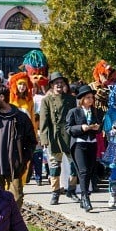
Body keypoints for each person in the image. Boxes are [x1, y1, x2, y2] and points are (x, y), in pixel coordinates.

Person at [0, 83, 37, 209]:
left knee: (16, 198)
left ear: (1, 97)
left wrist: (24, 159)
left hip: (15, 167)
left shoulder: (21, 118)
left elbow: (32, 141)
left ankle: (13, 224)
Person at [39, 72, 79, 205]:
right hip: (54, 136)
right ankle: (55, 192)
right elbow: (43, 121)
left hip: (69, 135)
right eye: (56, 83)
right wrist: (44, 139)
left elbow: (75, 118)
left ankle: (72, 190)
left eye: (61, 82)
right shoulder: (47, 100)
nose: (59, 85)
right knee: (55, 166)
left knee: (74, 164)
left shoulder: (71, 99)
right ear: (51, 85)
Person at [67, 85, 104, 212]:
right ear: (82, 99)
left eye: (92, 98)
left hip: (91, 143)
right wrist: (81, 128)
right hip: (79, 144)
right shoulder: (74, 111)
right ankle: (85, 197)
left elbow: (100, 126)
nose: (91, 100)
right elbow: (69, 128)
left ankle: (84, 195)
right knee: (82, 171)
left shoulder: (95, 111)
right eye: (88, 98)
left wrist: (96, 127)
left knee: (89, 170)